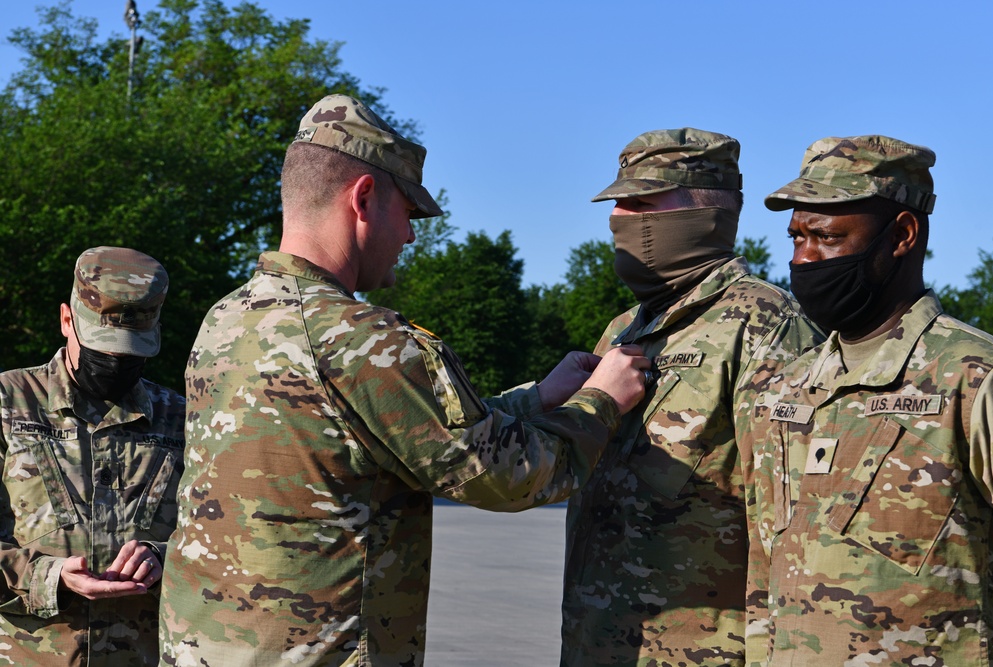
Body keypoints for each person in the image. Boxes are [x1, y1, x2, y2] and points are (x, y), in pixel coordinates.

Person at [157, 93, 649, 667]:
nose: (412, 238)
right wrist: (600, 402)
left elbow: (389, 431)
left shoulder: (229, 316)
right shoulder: (359, 337)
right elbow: (507, 477)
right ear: (364, 198)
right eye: (409, 215)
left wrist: (538, 398)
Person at [560, 129, 824, 666]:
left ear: (703, 213)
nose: (620, 219)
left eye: (642, 202)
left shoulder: (764, 326)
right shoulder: (624, 330)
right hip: (601, 644)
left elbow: (789, 524)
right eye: (618, 204)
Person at [740, 135, 993, 666]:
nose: (804, 259)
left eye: (827, 237)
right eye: (796, 238)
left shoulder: (973, 378)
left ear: (902, 235)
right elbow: (763, 575)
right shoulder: (781, 390)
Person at [0, 246, 185, 666]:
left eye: (132, 353)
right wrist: (49, 576)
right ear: (67, 320)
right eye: (104, 351)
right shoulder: (8, 403)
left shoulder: (180, 419)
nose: (117, 363)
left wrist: (161, 555)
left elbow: (220, 543)